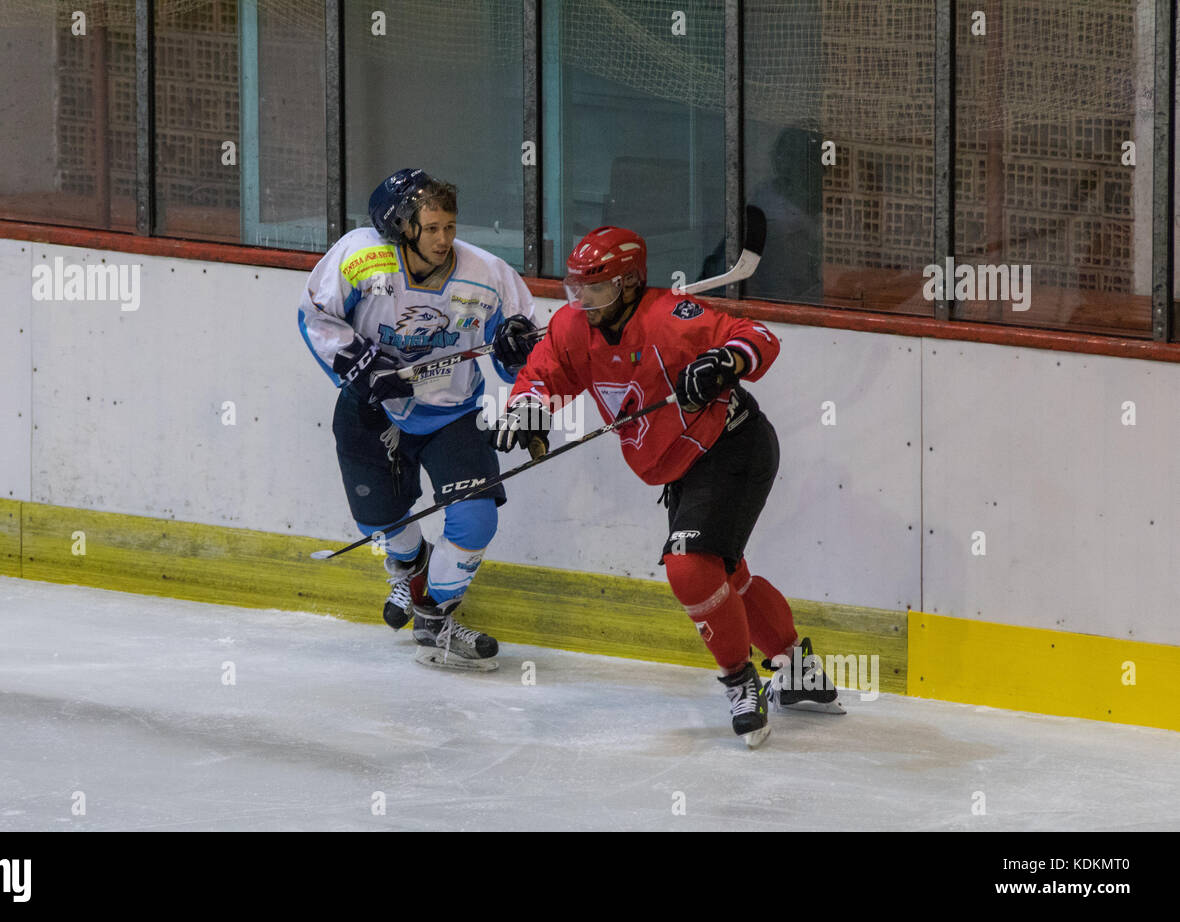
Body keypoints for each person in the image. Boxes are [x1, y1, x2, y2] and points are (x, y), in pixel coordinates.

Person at [492, 225, 843, 745]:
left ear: (630, 283)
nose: (582, 299)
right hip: (682, 466)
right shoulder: (572, 326)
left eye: (596, 287)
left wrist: (723, 361)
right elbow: (544, 375)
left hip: (733, 447)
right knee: (727, 577)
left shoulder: (671, 318)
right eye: (577, 287)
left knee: (690, 569)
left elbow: (759, 337)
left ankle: (740, 683)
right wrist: (528, 408)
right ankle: (797, 669)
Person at [298, 169, 539, 670]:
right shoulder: (360, 256)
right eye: (430, 228)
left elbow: (518, 353)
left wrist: (517, 353)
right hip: (372, 408)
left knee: (476, 519)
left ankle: (434, 618)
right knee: (379, 521)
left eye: (449, 226)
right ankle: (411, 565)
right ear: (400, 227)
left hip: (452, 411)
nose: (443, 239)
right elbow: (317, 317)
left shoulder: (488, 274)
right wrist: (362, 368)